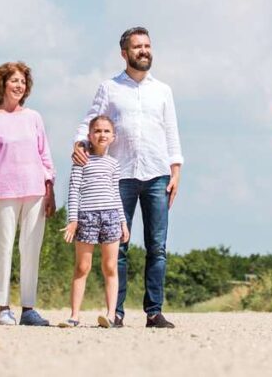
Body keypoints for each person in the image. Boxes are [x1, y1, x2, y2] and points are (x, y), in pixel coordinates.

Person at [72, 26, 183, 328]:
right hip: (118, 175)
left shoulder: (163, 90)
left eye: (147, 46)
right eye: (137, 47)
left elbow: (171, 132)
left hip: (157, 174)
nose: (144, 51)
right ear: (125, 53)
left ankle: (153, 311)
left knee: (156, 246)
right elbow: (89, 121)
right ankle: (115, 312)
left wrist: (176, 170)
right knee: (117, 244)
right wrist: (80, 143)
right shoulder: (109, 88)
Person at [0, 61, 56, 327]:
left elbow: (45, 155)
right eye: (14, 80)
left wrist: (50, 189)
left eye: (22, 81)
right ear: (2, 84)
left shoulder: (34, 117)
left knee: (31, 249)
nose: (19, 85)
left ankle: (28, 308)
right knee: (4, 248)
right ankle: (3, 307)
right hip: (3, 190)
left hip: (35, 189)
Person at [62, 115, 129, 328]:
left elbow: (116, 193)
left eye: (106, 131)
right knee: (83, 266)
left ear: (113, 137)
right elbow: (74, 190)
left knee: (110, 266)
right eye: (97, 131)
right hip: (86, 217)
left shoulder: (113, 164)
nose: (102, 135)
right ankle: (74, 315)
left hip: (110, 217)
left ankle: (110, 315)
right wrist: (73, 219)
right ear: (89, 135)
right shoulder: (81, 160)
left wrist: (123, 221)